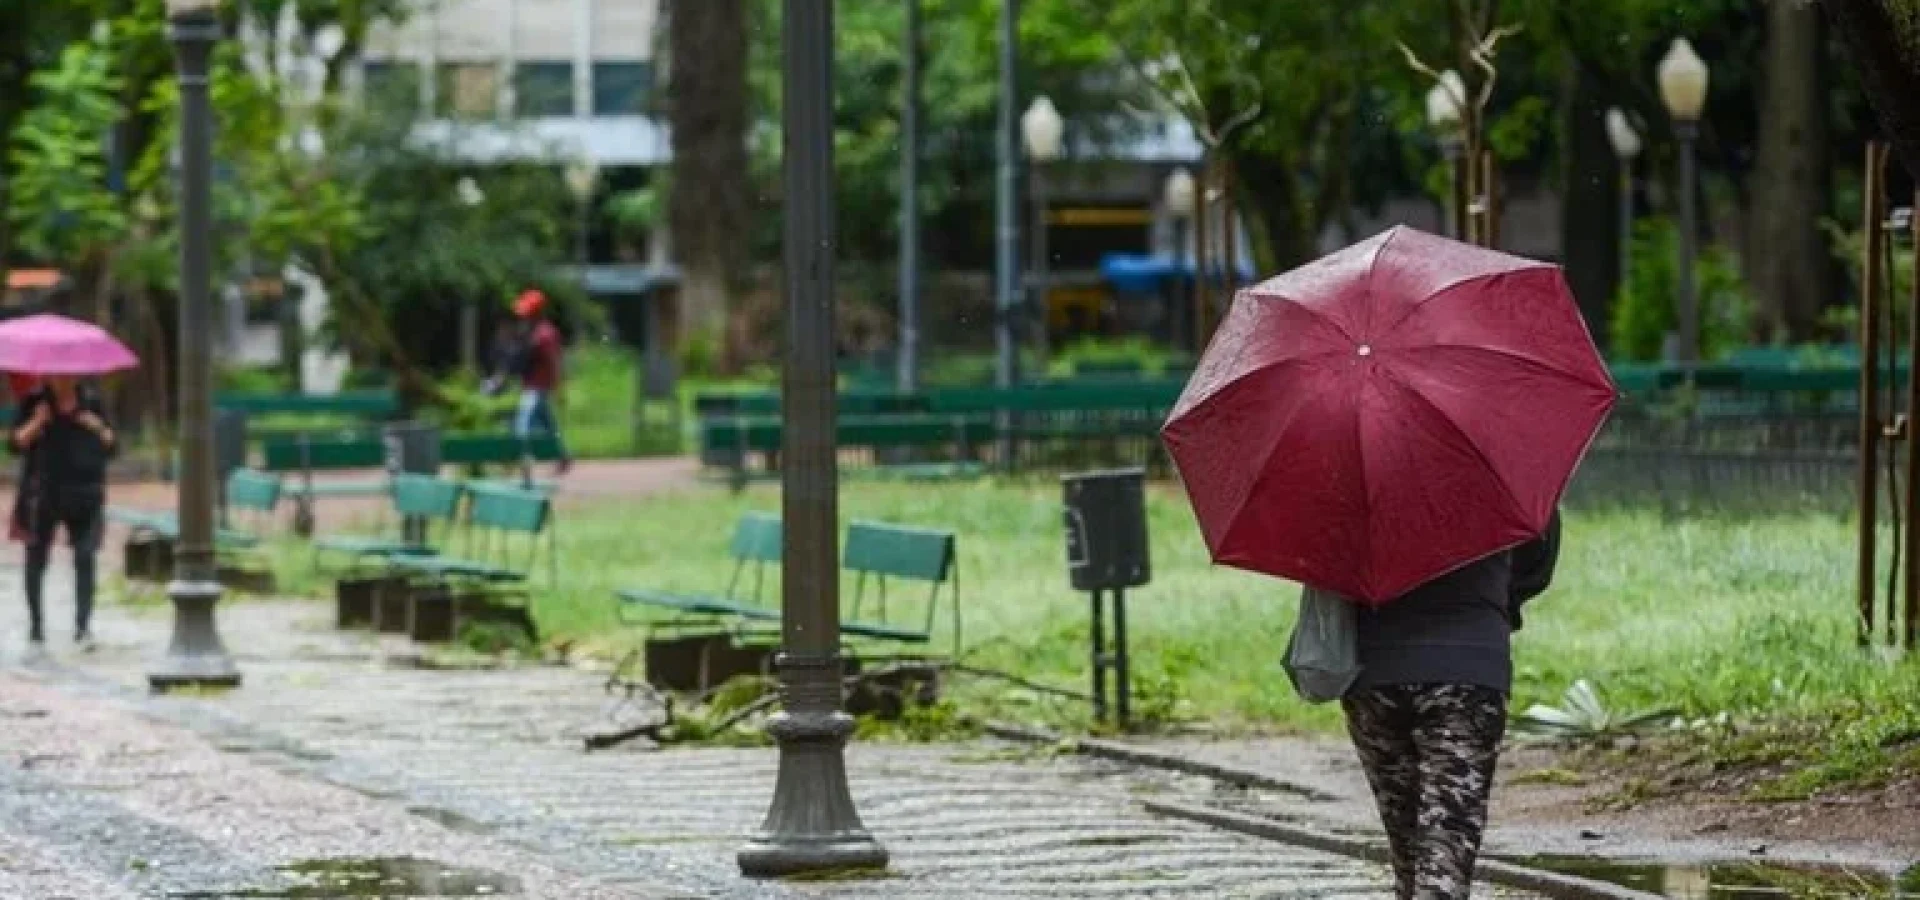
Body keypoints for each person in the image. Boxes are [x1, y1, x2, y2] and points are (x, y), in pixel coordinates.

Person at [1342, 512, 1561, 900]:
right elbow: (1537, 560)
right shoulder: (1498, 465)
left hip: (1375, 672)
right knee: (1447, 844)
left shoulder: (1349, 470)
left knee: (1408, 850)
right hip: (1468, 670)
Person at [9, 375, 116, 651]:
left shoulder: (92, 401)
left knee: (84, 557)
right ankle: (36, 628)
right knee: (36, 559)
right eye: (57, 372)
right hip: (43, 492)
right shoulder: (34, 401)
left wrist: (97, 426)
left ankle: (83, 627)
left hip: (85, 492)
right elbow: (14, 444)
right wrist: (36, 422)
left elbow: (113, 445)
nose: (63, 377)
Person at [488, 289, 571, 476]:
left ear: (537, 312)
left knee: (522, 424)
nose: (524, 316)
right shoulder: (530, 332)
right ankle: (563, 456)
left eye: (528, 313)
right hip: (530, 386)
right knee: (549, 425)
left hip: (538, 387)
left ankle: (523, 461)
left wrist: (559, 389)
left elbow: (555, 361)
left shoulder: (546, 334)